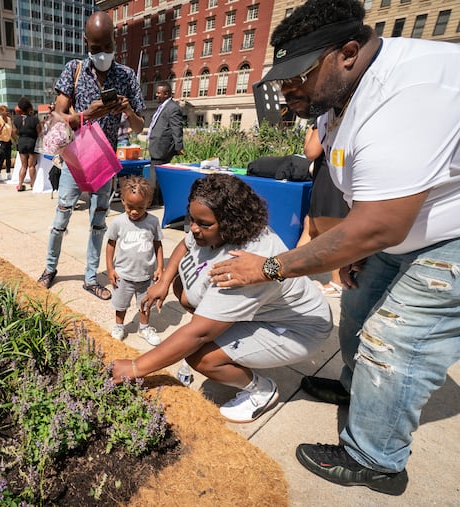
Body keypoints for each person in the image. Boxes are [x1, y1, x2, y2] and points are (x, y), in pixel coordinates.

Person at [209, 0, 460, 495]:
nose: (287, 89)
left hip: (447, 239)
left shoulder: (410, 93)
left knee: (398, 342)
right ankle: (355, 388)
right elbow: (349, 188)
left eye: (298, 76)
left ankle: (376, 458)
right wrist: (344, 246)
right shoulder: (338, 96)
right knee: (359, 310)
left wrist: (272, 267)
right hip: (398, 228)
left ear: (347, 53)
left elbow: (379, 224)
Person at [110, 174, 332, 423]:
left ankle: (261, 390)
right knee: (185, 293)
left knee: (200, 356)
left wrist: (136, 367)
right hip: (266, 310)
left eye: (203, 224)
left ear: (231, 223)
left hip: (297, 328)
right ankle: (237, 344)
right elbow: (185, 246)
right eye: (192, 219)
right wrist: (163, 282)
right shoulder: (210, 228)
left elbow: (199, 334)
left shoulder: (239, 266)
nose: (194, 228)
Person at [36, 11, 145, 301]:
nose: (102, 54)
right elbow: (57, 117)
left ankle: (89, 278)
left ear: (115, 41)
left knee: (99, 222)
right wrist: (88, 114)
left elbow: (139, 126)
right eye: (95, 49)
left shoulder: (126, 76)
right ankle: (50, 268)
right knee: (61, 218)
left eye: (107, 47)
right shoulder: (74, 69)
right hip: (77, 157)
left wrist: (127, 110)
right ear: (86, 42)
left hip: (105, 161)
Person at [105, 176, 164, 346]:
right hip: (123, 274)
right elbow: (110, 245)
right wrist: (110, 269)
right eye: (130, 207)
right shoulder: (118, 222)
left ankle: (144, 327)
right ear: (122, 200)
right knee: (121, 304)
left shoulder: (153, 222)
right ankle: (119, 326)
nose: (135, 212)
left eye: (140, 207)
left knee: (145, 304)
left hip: (146, 275)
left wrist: (160, 267)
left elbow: (157, 244)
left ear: (149, 202)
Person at [295, 123, 349, 296]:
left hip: (329, 175)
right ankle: (292, 273)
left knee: (329, 231)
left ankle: (338, 282)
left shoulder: (323, 117)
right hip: (336, 173)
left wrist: (310, 132)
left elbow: (311, 151)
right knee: (310, 225)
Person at [146, 82, 184, 202]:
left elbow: (176, 128)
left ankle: (151, 199)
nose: (156, 95)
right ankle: (157, 198)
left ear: (166, 94)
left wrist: (179, 147)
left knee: (155, 174)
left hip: (162, 147)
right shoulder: (163, 106)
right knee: (156, 174)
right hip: (157, 146)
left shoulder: (173, 108)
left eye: (159, 93)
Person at [13, 96, 42, 192]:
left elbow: (15, 132)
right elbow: (39, 132)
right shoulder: (34, 119)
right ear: (29, 107)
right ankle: (33, 185)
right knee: (31, 166)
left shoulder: (16, 119)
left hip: (21, 142)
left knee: (23, 166)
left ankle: (20, 185)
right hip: (32, 142)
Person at [0, 105, 14, 182]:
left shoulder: (9, 119)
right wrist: (2, 127)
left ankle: (8, 173)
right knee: (2, 156)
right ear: (1, 112)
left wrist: (15, 140)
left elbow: (11, 131)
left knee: (8, 158)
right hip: (0, 141)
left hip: (8, 141)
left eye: (7, 111)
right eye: (5, 111)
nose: (7, 112)